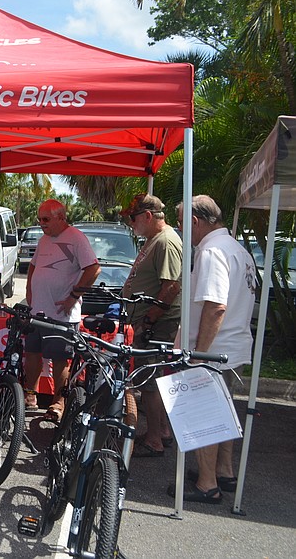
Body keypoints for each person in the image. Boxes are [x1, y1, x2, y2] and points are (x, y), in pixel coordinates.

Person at [167, 194, 257, 504]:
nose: (180, 230)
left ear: (195, 221)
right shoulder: (237, 249)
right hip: (234, 346)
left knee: (205, 417)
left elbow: (216, 306)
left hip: (214, 351)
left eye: (181, 224)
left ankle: (207, 484)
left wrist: (198, 355)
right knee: (224, 412)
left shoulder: (212, 251)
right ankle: (224, 472)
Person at [23, 199, 101, 421]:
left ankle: (59, 402)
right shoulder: (44, 239)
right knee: (32, 354)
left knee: (59, 360)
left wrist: (73, 296)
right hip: (38, 310)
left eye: (45, 219)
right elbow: (33, 265)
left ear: (61, 217)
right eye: (39, 219)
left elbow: (94, 269)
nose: (41, 223)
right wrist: (29, 288)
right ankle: (31, 395)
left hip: (61, 316)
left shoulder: (76, 238)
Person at [119, 193, 183, 458]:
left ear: (147, 216)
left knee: (149, 382)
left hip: (157, 323)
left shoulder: (166, 241)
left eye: (133, 218)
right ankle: (161, 432)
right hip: (149, 320)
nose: (131, 224)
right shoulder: (154, 239)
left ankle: (155, 438)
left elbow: (171, 286)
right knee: (150, 380)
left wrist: (149, 319)